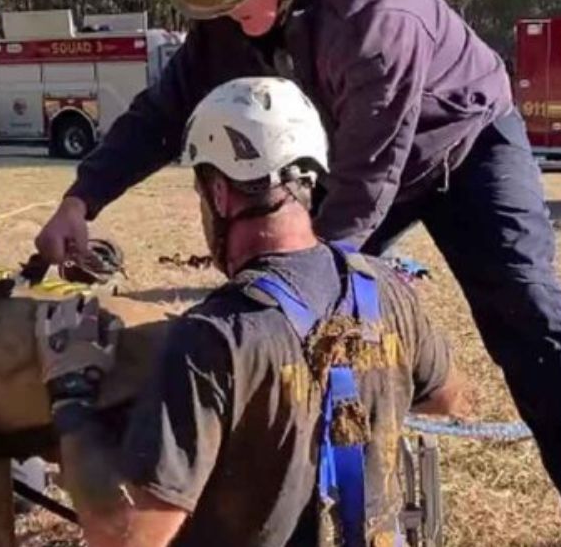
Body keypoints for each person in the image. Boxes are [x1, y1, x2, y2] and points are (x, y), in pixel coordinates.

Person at [34, 0, 561, 544]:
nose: (228, 19)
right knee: (266, 317)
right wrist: (83, 199)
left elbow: (363, 184)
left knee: (527, 312)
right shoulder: (236, 2)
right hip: (351, 149)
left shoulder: (377, 14)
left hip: (467, 145)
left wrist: (306, 292)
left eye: (237, 4)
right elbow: (163, 110)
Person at [34, 77, 464, 546]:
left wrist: (71, 397)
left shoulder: (214, 337)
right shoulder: (384, 289)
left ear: (219, 193)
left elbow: (125, 539)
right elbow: (448, 398)